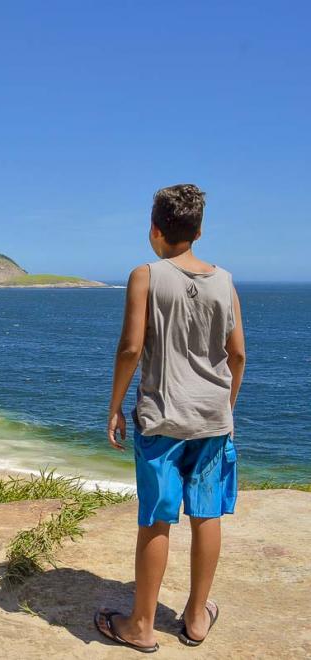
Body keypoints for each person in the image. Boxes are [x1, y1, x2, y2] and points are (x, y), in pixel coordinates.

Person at [96, 184, 246, 652]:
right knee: (207, 515)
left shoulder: (145, 275)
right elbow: (237, 354)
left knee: (157, 519)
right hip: (211, 420)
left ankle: (141, 626)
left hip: (161, 419)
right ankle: (197, 617)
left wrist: (115, 406)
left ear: (154, 229)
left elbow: (131, 348)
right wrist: (227, 407)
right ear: (199, 230)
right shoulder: (225, 280)